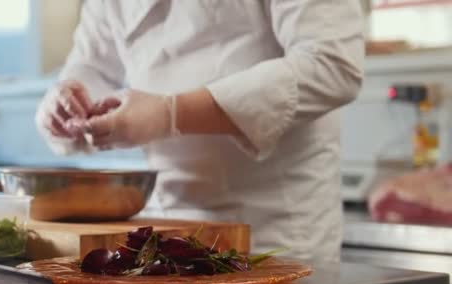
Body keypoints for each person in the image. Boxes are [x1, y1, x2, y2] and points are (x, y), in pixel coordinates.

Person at [36, 0, 363, 264]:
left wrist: (171, 113)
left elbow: (332, 65)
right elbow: (92, 65)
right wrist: (68, 100)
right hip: (161, 231)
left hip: (275, 231)